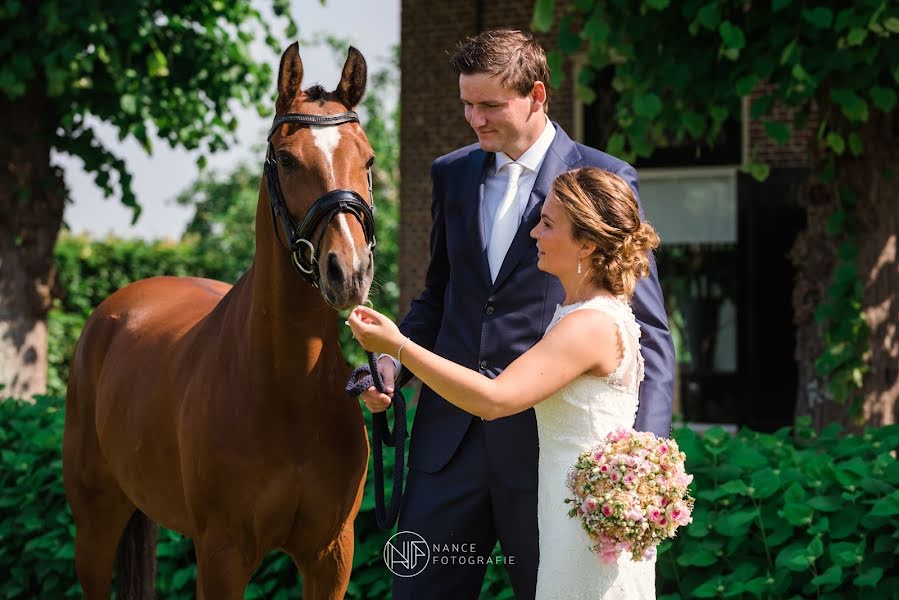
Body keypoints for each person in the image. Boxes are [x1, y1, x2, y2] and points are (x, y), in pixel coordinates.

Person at [359, 30, 674, 599]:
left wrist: (644, 461)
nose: (474, 119)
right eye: (466, 104)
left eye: (490, 105)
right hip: (446, 445)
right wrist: (390, 366)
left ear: (536, 95)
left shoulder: (600, 177)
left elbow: (647, 329)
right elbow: (439, 295)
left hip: (543, 454)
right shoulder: (450, 174)